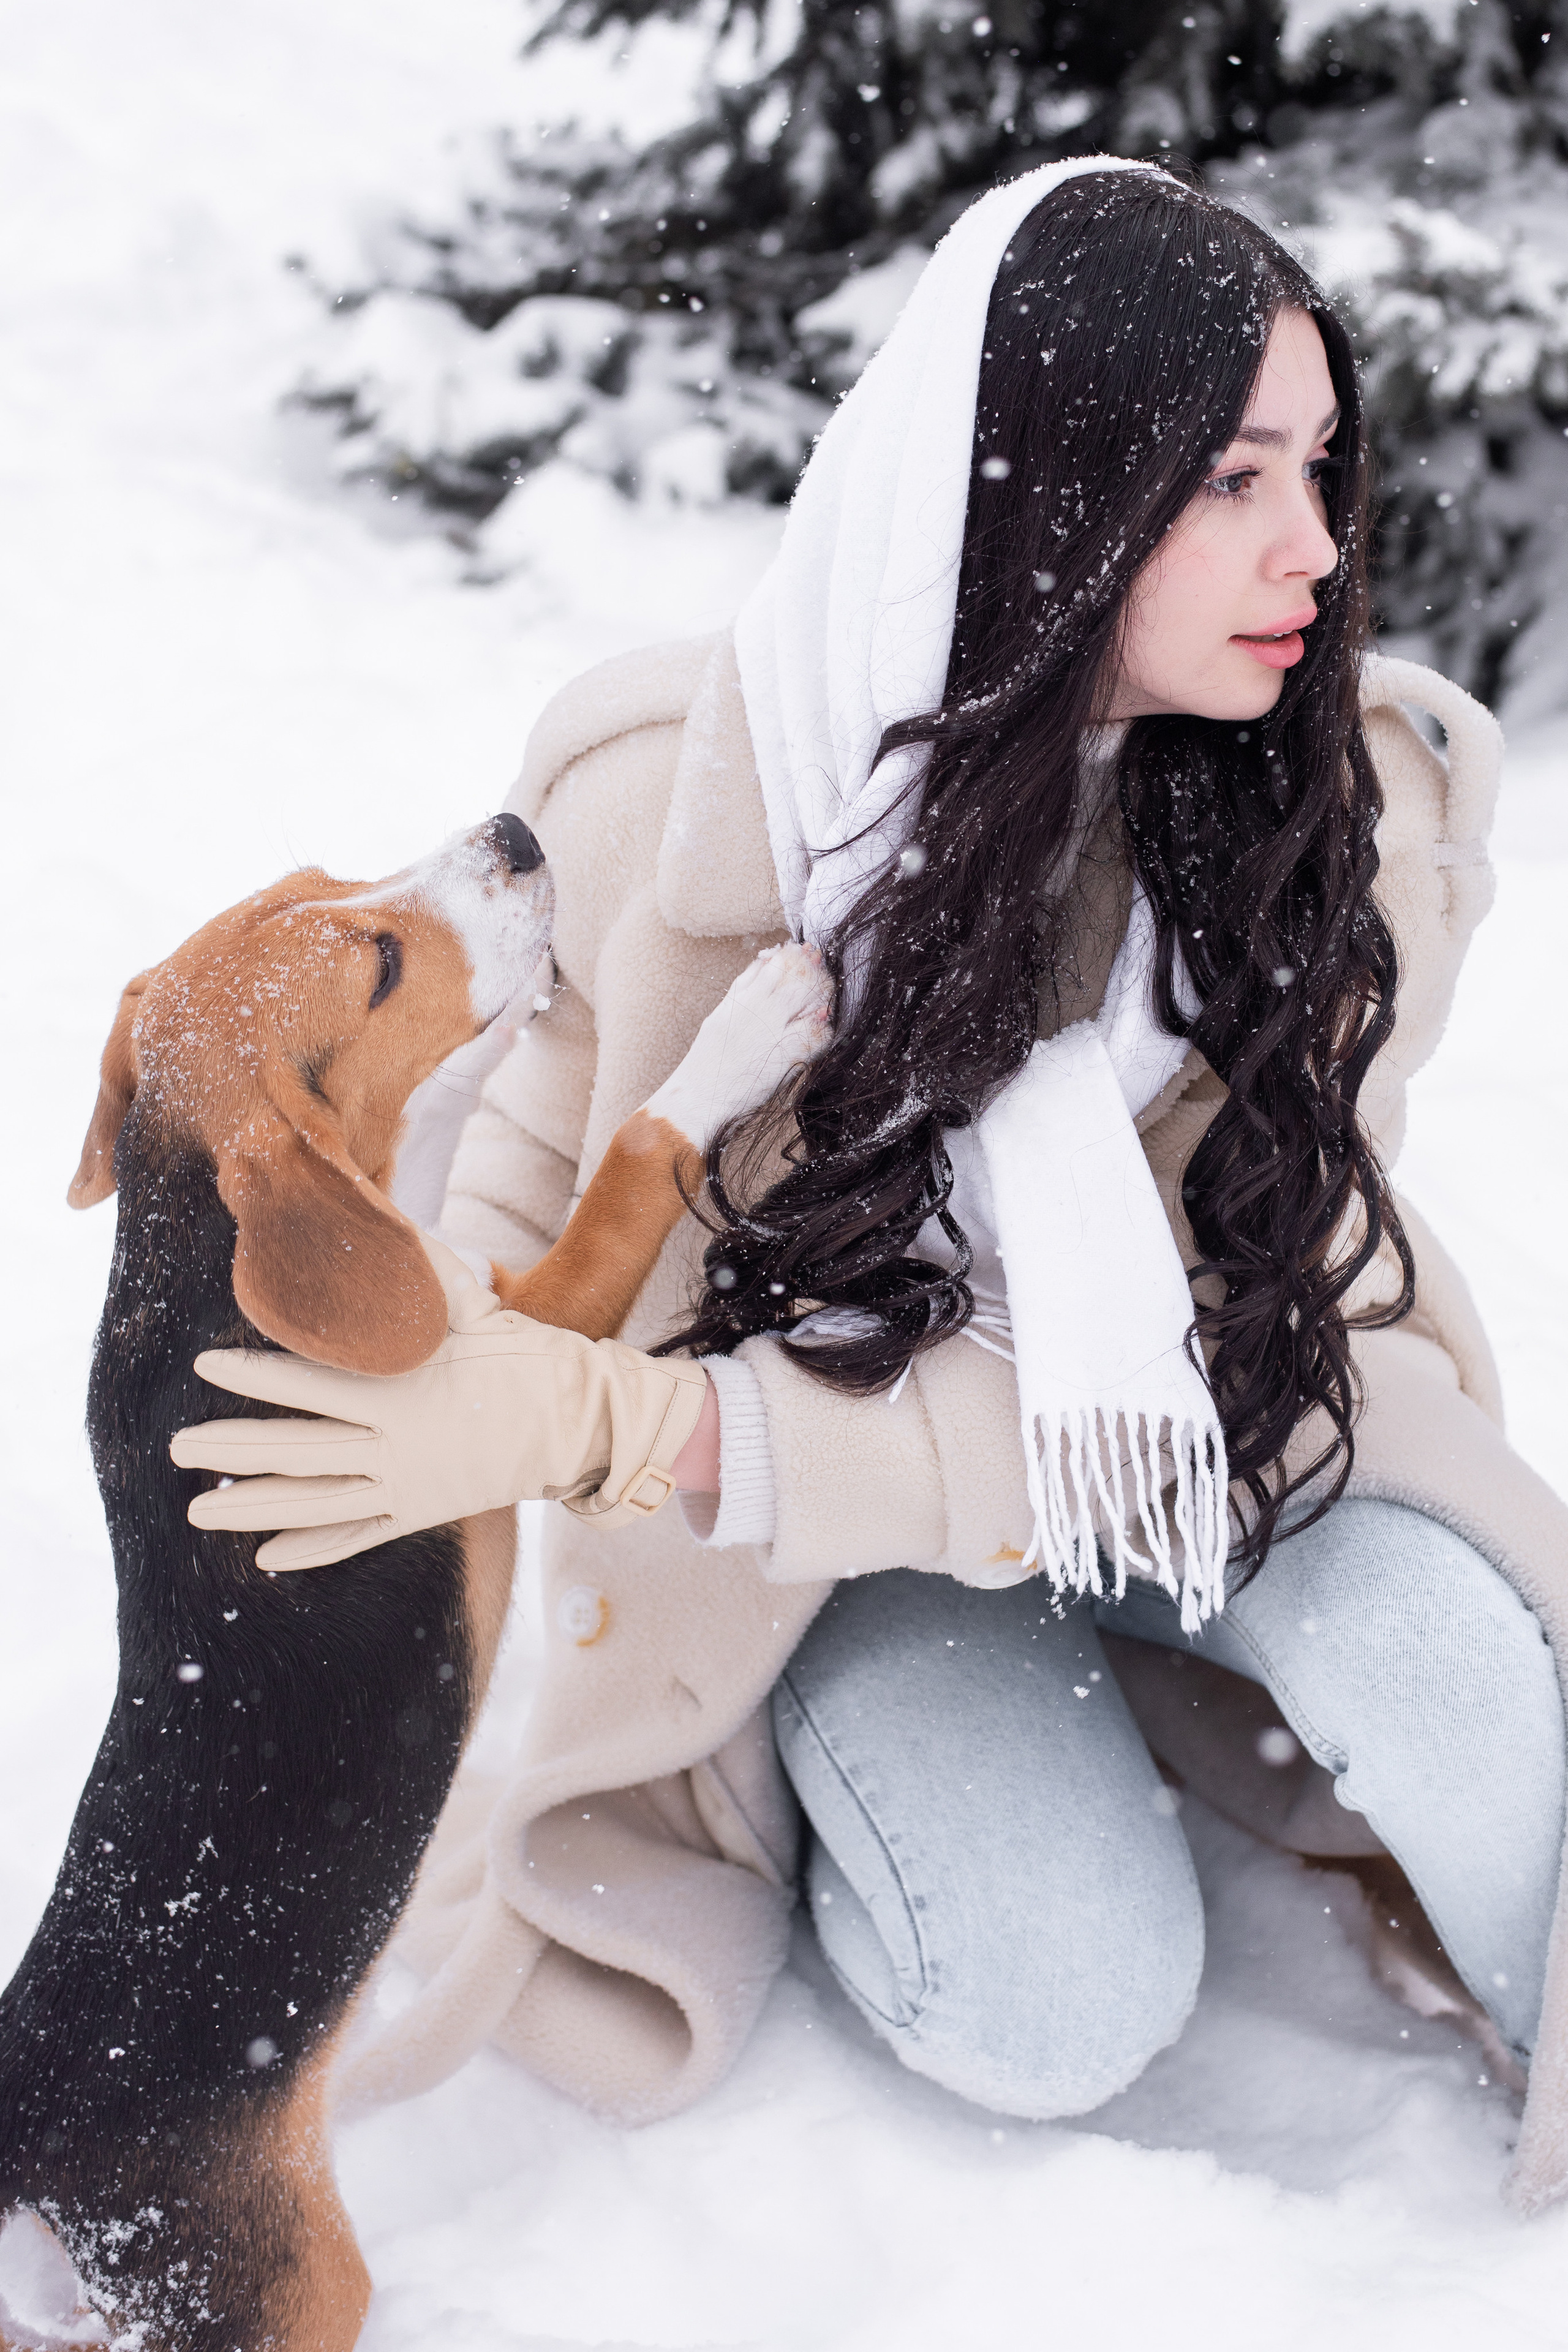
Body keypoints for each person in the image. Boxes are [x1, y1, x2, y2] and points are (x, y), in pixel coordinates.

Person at [179, 158, 1568, 2211]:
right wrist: (446, 1391)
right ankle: (891, 1780)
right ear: (1045, 495)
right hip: (810, 1540)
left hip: (1230, 1432)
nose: (1315, 545)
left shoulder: (1332, 815)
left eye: (1323, 467)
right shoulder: (662, 801)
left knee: (1452, 1678)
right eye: (1233, 478)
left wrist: (644, 1418)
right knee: (1053, 2006)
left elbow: (1187, 1368)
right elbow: (514, 1244)